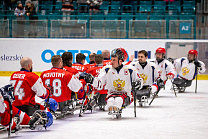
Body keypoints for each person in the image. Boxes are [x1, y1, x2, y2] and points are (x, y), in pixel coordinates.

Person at [83, 48, 143, 117]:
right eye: (111, 59)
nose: (111, 62)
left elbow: (139, 80)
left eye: (114, 60)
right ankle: (113, 108)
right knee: (110, 101)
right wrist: (92, 80)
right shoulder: (106, 69)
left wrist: (138, 84)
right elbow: (99, 83)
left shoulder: (130, 69)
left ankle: (116, 107)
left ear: (120, 61)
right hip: (110, 95)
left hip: (126, 95)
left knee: (119, 99)